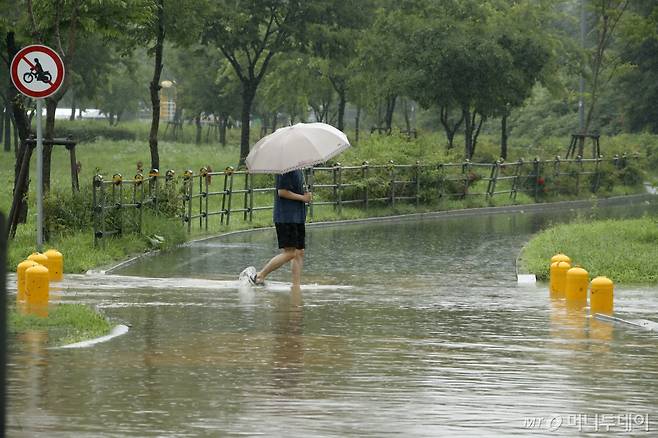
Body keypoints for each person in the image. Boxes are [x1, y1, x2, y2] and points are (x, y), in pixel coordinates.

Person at [246, 169, 311, 287]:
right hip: (286, 217)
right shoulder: (286, 169)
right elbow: (282, 192)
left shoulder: (298, 169)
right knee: (290, 253)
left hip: (298, 217)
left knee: (299, 252)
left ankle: (296, 286)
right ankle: (259, 276)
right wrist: (303, 198)